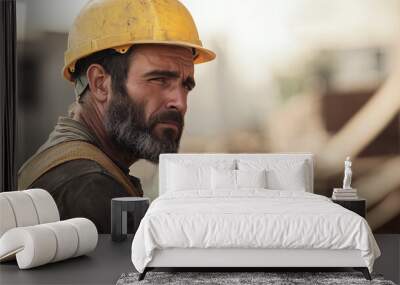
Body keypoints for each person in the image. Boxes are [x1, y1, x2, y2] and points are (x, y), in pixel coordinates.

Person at [17, 0, 215, 233]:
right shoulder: (89, 187)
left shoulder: (69, 161)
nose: (180, 102)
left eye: (186, 86)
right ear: (100, 84)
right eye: (159, 80)